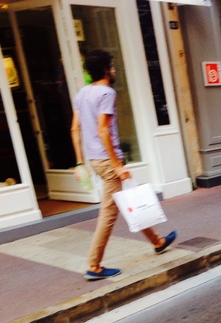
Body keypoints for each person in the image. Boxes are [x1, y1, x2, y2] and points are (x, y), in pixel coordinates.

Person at [71, 49, 177, 281]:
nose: (114, 70)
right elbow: (103, 130)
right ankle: (94, 265)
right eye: (111, 66)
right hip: (108, 160)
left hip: (95, 159)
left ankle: (157, 241)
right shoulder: (106, 93)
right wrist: (117, 164)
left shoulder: (82, 94)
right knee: (108, 214)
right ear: (105, 70)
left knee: (130, 199)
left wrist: (81, 162)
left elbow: (74, 129)